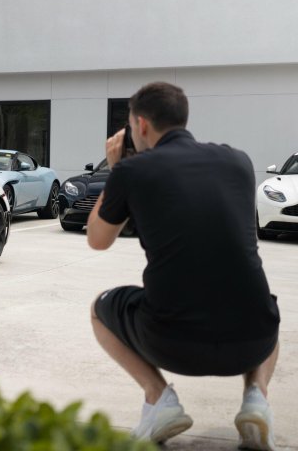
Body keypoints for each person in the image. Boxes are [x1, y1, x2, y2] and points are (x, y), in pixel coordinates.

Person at [86, 82, 280, 449]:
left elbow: (98, 239)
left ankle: (158, 398)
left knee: (99, 308)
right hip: (253, 341)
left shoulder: (132, 171)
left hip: (172, 343)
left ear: (141, 125)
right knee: (264, 305)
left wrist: (117, 171)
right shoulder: (239, 161)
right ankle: (257, 399)